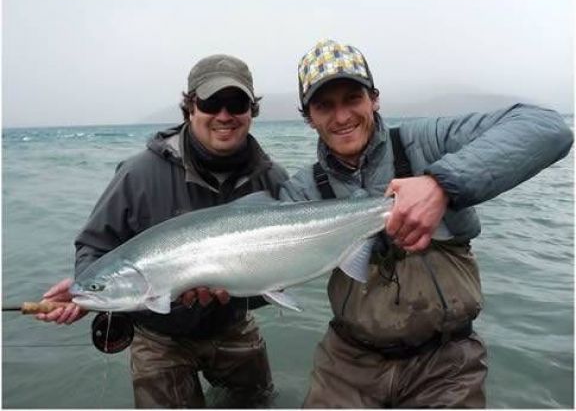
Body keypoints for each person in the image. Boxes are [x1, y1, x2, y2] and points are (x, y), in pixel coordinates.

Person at [279, 39, 573, 408]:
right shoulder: (302, 191)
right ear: (308, 116)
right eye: (325, 106)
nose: (341, 117)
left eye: (352, 99)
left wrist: (441, 184)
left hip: (447, 363)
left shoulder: (428, 142)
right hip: (347, 363)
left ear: (375, 98)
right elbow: (262, 268)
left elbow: (546, 128)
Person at [36, 54, 288, 408]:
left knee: (259, 402)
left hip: (232, 325)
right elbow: (94, 246)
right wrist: (87, 291)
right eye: (211, 102)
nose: (224, 115)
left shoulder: (273, 179)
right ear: (190, 108)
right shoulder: (138, 174)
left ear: (251, 111)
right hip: (157, 337)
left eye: (237, 103)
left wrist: (237, 292)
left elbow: (288, 265)